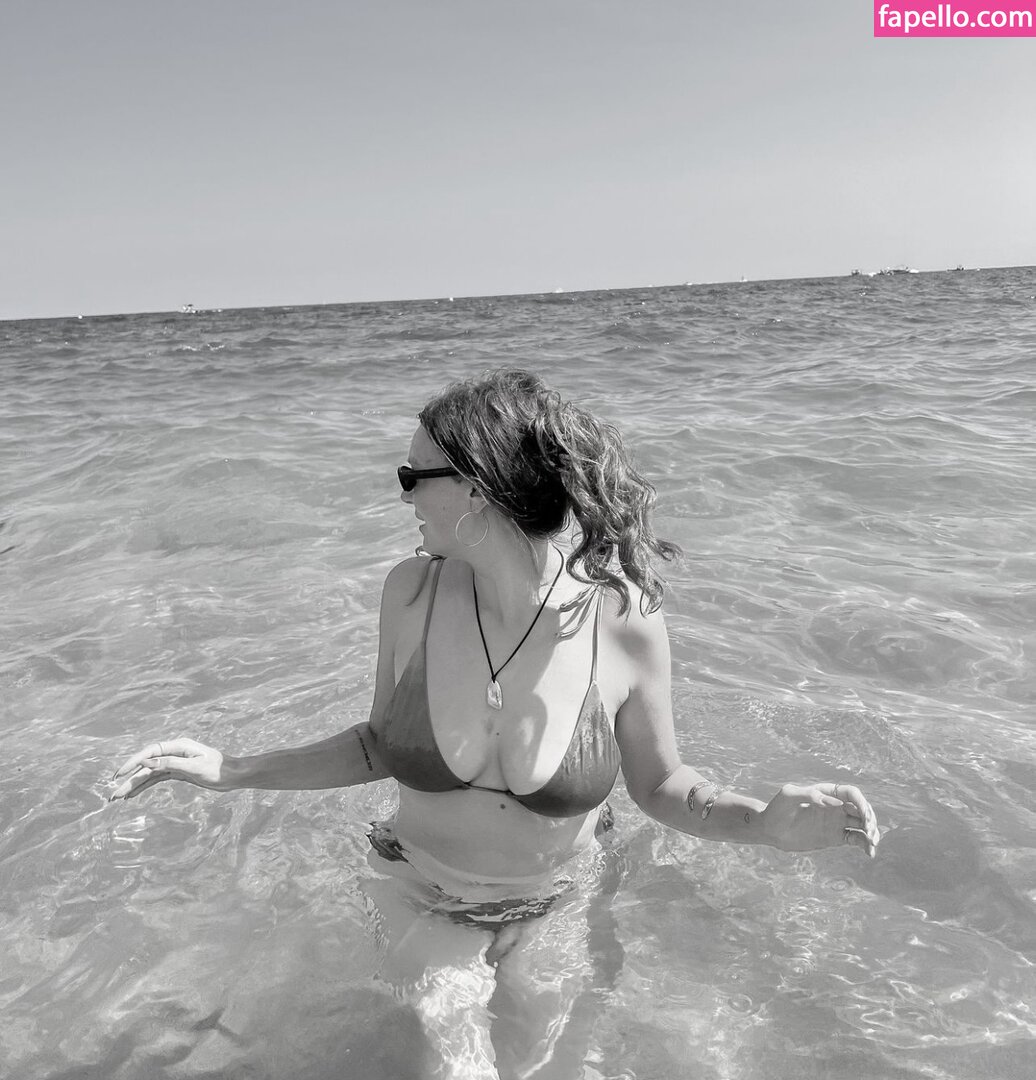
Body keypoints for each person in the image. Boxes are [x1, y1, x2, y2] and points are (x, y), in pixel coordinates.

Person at [111, 369, 879, 1079]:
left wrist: (762, 822)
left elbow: (665, 785)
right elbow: (378, 744)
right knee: (458, 1059)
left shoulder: (623, 619)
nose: (405, 497)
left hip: (555, 902)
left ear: (476, 489)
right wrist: (234, 770)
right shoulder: (411, 594)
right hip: (418, 889)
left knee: (554, 1058)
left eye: (413, 477)